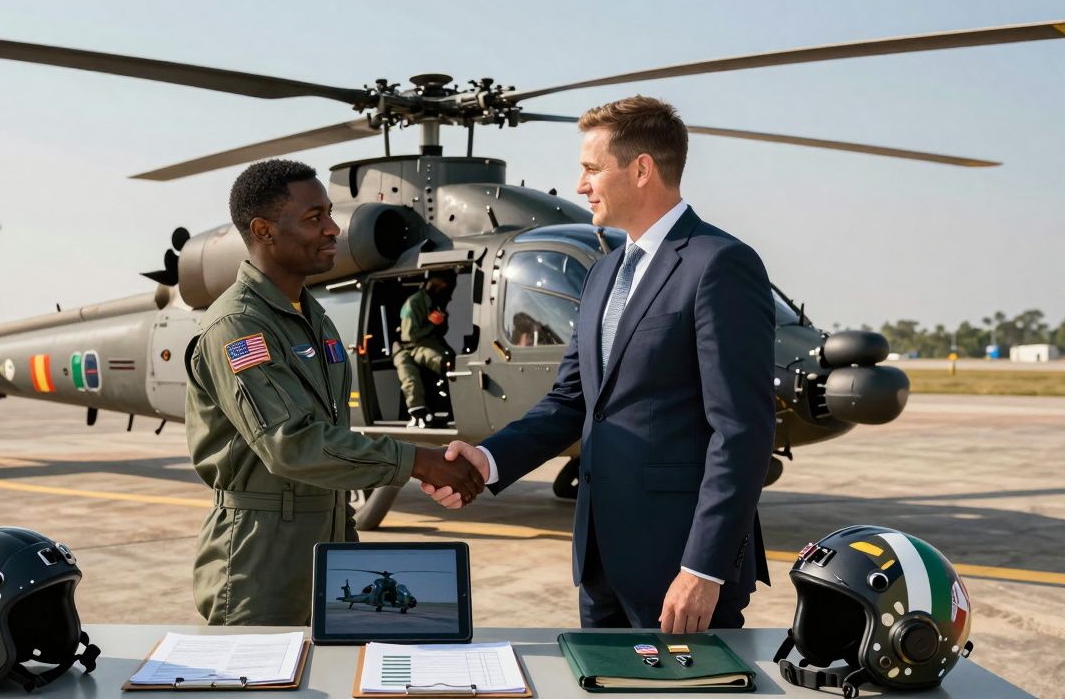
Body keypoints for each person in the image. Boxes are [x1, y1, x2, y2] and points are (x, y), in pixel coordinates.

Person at [425, 96, 775, 633]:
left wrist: (703, 567)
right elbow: (574, 400)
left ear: (641, 170)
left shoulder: (719, 264)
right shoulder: (605, 272)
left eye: (591, 169)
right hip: (600, 563)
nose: (580, 185)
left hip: (679, 567)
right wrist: (487, 461)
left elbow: (742, 430)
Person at [184, 159, 485, 625]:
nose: (333, 229)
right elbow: (292, 443)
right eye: (314, 218)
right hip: (264, 554)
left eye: (329, 213)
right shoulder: (239, 325)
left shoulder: (310, 314)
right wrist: (416, 460)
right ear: (263, 230)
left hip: (330, 533)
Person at [393, 271, 456, 428]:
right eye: (440, 283)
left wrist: (441, 322)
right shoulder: (414, 303)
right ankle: (419, 412)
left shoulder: (436, 301)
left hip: (426, 344)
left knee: (446, 362)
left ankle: (451, 405)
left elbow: (442, 331)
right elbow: (410, 336)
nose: (443, 287)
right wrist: (432, 324)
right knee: (411, 378)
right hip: (410, 347)